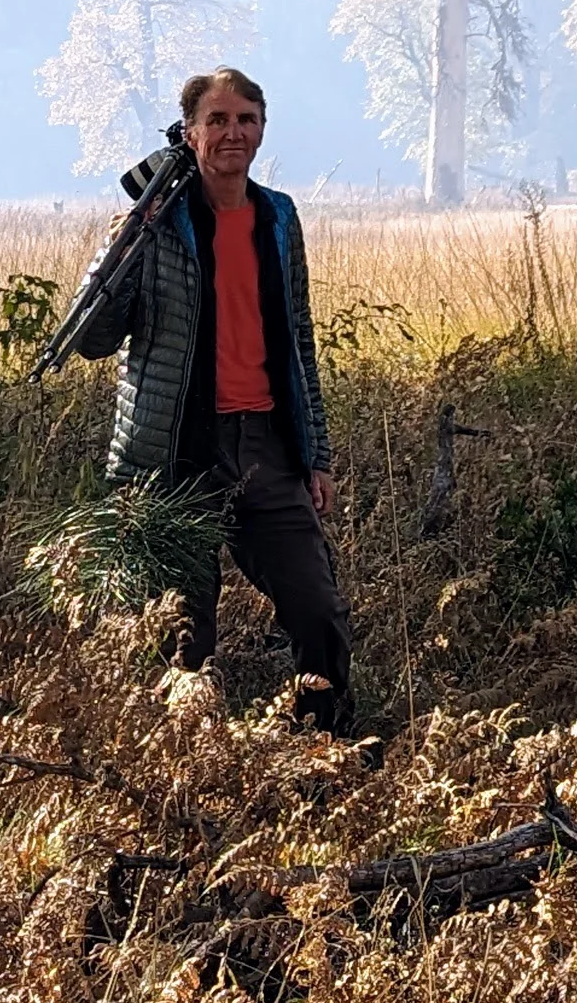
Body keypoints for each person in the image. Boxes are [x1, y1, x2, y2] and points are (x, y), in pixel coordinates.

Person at [57, 66, 354, 727]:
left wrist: (318, 454)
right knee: (184, 635)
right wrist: (133, 232)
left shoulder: (278, 216)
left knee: (318, 609)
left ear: (261, 131)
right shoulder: (157, 222)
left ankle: (323, 754)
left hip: (267, 449)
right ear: (189, 134)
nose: (232, 133)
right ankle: (185, 772)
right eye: (217, 120)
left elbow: (298, 339)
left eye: (245, 120)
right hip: (176, 455)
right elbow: (90, 338)